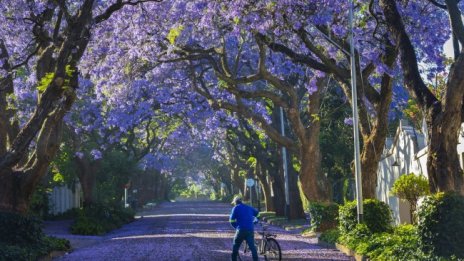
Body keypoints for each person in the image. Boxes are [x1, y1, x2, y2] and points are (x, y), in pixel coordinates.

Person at [229, 196, 259, 261]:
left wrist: (236, 227)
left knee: (235, 246)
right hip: (250, 230)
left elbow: (231, 220)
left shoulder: (235, 208)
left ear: (235, 202)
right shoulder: (248, 207)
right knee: (253, 248)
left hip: (240, 230)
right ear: (241, 201)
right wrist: (256, 221)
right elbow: (257, 214)